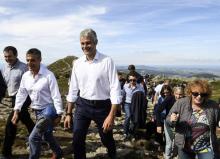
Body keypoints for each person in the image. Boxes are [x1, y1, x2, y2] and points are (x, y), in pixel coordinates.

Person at [64, 28, 121, 159]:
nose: (85, 46)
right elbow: (73, 89)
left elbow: (115, 88)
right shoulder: (77, 63)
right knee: (77, 139)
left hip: (103, 106)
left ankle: (112, 155)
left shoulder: (107, 61)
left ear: (96, 42)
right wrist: (68, 113)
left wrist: (111, 115)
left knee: (106, 139)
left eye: (88, 43)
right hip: (82, 105)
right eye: (82, 43)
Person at [11, 48, 63, 159]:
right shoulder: (26, 76)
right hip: (37, 111)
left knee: (33, 138)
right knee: (47, 134)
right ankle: (58, 153)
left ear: (40, 60)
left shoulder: (48, 75)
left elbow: (56, 95)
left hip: (49, 110)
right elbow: (21, 94)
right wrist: (16, 111)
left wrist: (59, 114)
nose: (30, 63)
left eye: (33, 60)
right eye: (28, 60)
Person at [166, 79, 220, 159]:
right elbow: (168, 119)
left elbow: (218, 120)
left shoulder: (213, 106)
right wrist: (171, 120)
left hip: (205, 147)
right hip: (184, 147)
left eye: (203, 94)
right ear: (189, 93)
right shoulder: (181, 103)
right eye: (195, 94)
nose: (199, 96)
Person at [1, 46, 35, 158]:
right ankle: (38, 135)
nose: (7, 59)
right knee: (26, 119)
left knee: (11, 124)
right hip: (13, 98)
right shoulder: (4, 68)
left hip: (24, 98)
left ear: (16, 55)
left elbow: (32, 84)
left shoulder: (24, 68)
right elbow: (3, 85)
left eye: (9, 56)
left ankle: (6, 152)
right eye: (5, 56)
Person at [156, 86, 185, 159]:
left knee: (177, 142)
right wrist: (158, 125)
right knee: (169, 143)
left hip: (180, 124)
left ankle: (175, 156)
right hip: (168, 123)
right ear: (174, 93)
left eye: (180, 94)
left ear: (183, 94)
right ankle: (167, 156)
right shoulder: (169, 99)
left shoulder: (186, 100)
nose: (178, 96)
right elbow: (158, 110)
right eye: (176, 94)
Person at [122, 72, 145, 139]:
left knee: (134, 118)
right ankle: (125, 132)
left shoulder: (140, 86)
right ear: (128, 80)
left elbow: (143, 95)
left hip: (136, 104)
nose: (132, 81)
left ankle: (131, 132)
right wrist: (121, 105)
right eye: (130, 80)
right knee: (128, 116)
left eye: (134, 80)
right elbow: (123, 95)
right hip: (127, 103)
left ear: (136, 80)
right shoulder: (125, 86)